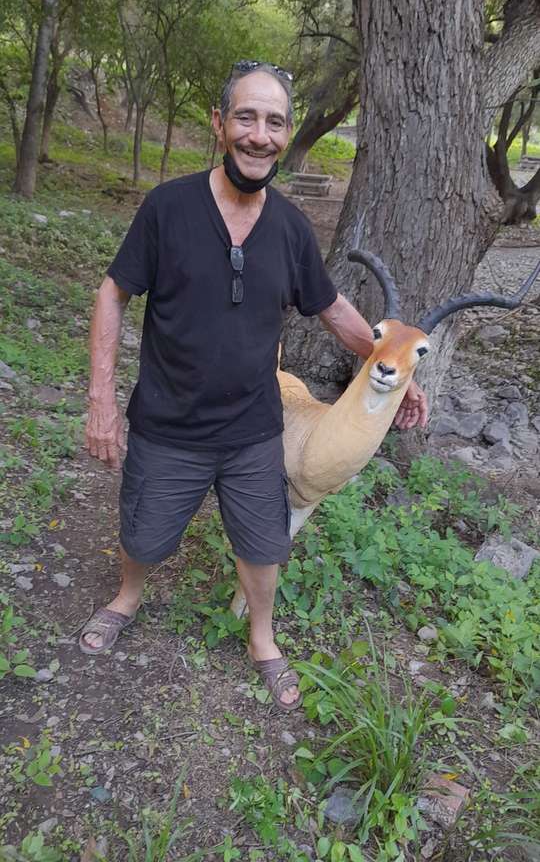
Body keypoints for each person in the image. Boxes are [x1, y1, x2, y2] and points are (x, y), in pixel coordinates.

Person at [81, 61, 428, 711]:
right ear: (220, 125)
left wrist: (395, 366)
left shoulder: (293, 230)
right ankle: (127, 598)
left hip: (251, 428)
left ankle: (262, 639)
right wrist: (102, 399)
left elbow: (334, 311)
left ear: (288, 133)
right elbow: (113, 292)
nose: (260, 135)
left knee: (265, 545)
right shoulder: (169, 208)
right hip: (169, 420)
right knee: (145, 538)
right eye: (246, 117)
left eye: (274, 122)